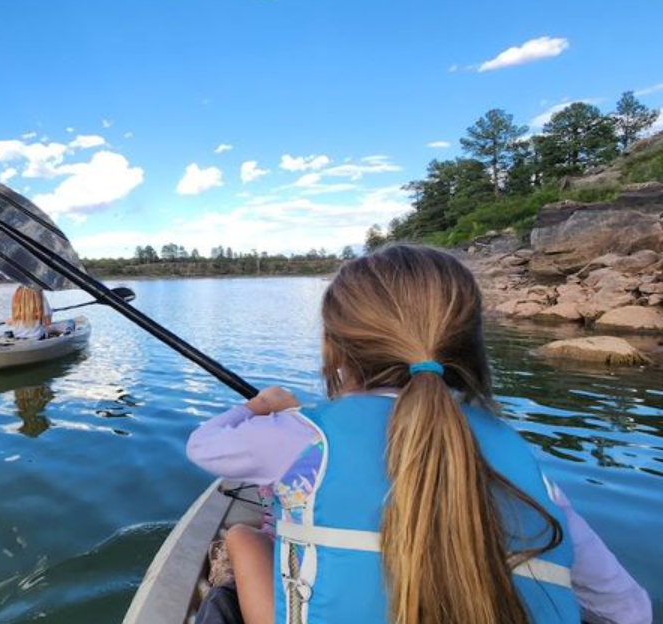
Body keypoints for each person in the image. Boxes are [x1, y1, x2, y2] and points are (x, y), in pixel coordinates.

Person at [186, 246, 650, 624]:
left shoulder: (302, 434)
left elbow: (202, 445)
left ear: (337, 350)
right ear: (467, 345)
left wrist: (260, 406)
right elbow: (627, 610)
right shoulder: (516, 451)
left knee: (243, 540)